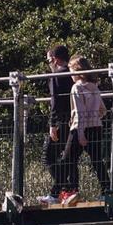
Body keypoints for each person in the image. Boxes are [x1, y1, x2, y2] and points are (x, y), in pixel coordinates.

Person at [58, 56, 106, 206]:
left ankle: (72, 190)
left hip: (80, 128)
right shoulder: (94, 87)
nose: (70, 75)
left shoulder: (77, 87)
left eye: (72, 71)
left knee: (67, 159)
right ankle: (107, 190)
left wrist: (80, 133)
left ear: (78, 72)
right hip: (96, 127)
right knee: (97, 160)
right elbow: (103, 110)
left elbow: (79, 113)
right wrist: (94, 117)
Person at [37, 44, 73, 204]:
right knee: (68, 158)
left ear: (55, 59)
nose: (48, 63)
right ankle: (67, 189)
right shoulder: (74, 74)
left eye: (49, 60)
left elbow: (55, 101)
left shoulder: (56, 75)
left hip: (60, 120)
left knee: (48, 156)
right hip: (72, 119)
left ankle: (60, 190)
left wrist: (52, 124)